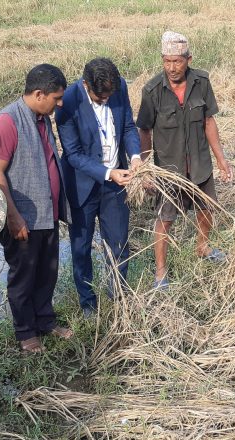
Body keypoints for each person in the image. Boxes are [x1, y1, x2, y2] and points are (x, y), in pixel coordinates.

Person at [0, 64, 73, 353]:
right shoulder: (5, 123)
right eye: (56, 98)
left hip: (46, 213)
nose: (59, 104)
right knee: (23, 276)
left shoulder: (41, 117)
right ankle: (26, 332)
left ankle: (45, 320)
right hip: (22, 217)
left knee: (47, 271)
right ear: (38, 93)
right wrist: (13, 216)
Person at [136, 31, 234, 290]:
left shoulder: (201, 82)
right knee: (165, 219)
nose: (171, 68)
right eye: (166, 61)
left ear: (188, 59)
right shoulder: (152, 90)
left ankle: (202, 247)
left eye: (177, 61)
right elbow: (144, 130)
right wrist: (146, 169)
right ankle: (160, 274)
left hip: (200, 164)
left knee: (206, 208)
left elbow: (208, 121)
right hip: (170, 169)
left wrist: (221, 160)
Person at [56, 57, 142, 319]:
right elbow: (72, 153)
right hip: (82, 185)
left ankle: (118, 295)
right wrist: (107, 173)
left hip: (116, 184)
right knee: (81, 247)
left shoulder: (119, 87)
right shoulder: (67, 100)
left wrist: (136, 156)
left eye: (109, 95)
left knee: (118, 242)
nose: (105, 100)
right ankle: (88, 304)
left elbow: (127, 126)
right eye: (99, 97)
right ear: (85, 85)